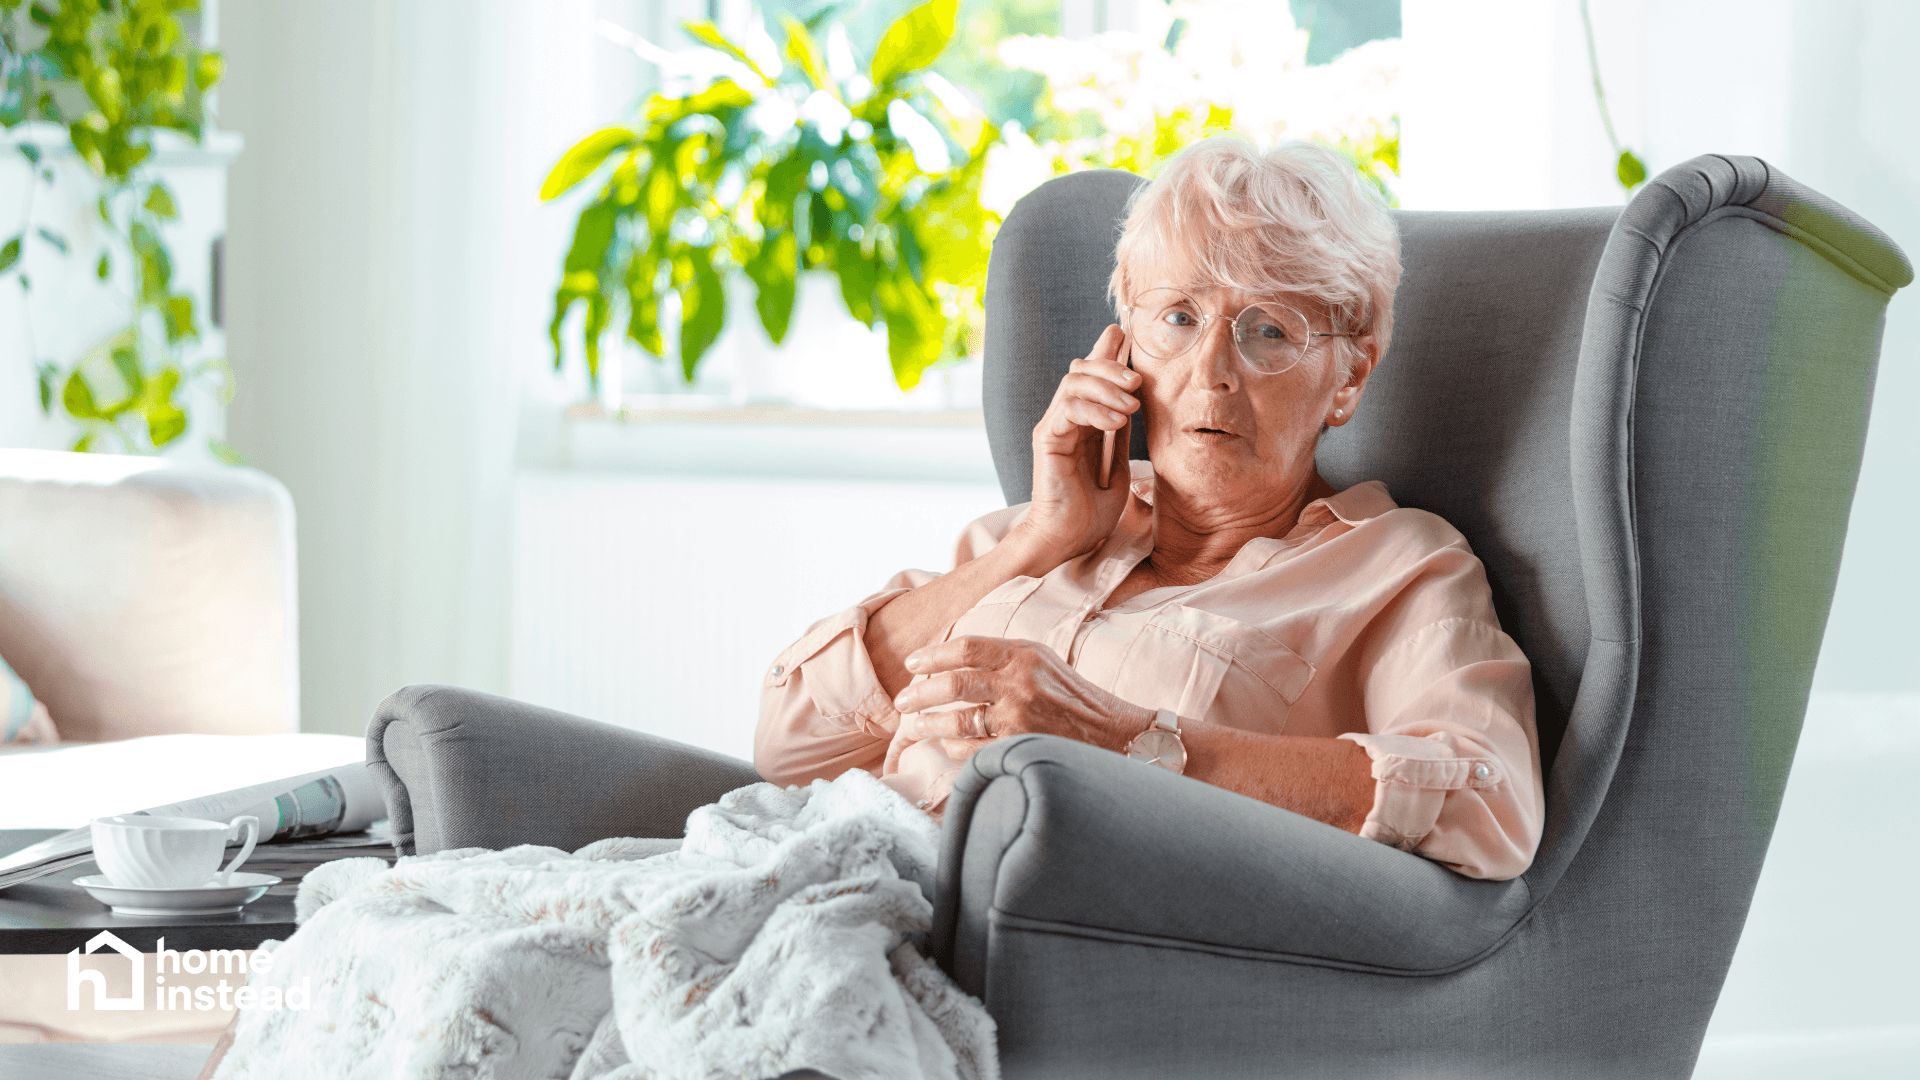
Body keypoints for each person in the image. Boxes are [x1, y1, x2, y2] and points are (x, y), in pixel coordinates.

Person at [755, 137, 1544, 881]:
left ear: (1349, 376)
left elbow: (1491, 805)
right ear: (1124, 339)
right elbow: (788, 745)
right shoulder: (1024, 536)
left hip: (1045, 928)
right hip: (843, 868)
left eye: (1270, 331)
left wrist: (1122, 739)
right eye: (1178, 318)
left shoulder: (1397, 566)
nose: (1212, 371)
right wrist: (1036, 539)